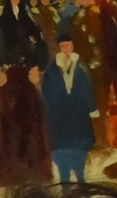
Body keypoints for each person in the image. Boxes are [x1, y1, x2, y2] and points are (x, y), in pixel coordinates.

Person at [0, 0, 51, 184]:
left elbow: (40, 44)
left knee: (30, 122)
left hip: (25, 78)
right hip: (7, 78)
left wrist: (38, 67)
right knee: (5, 125)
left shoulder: (29, 17)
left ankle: (32, 170)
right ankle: (7, 173)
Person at [40, 27, 99, 183]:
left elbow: (87, 89)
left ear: (72, 46)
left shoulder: (80, 67)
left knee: (79, 151)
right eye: (62, 46)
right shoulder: (52, 68)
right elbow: (46, 91)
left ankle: (80, 178)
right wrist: (49, 110)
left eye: (68, 45)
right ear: (59, 48)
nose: (65, 49)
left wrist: (92, 108)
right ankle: (65, 180)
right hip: (59, 116)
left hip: (78, 115)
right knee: (61, 153)